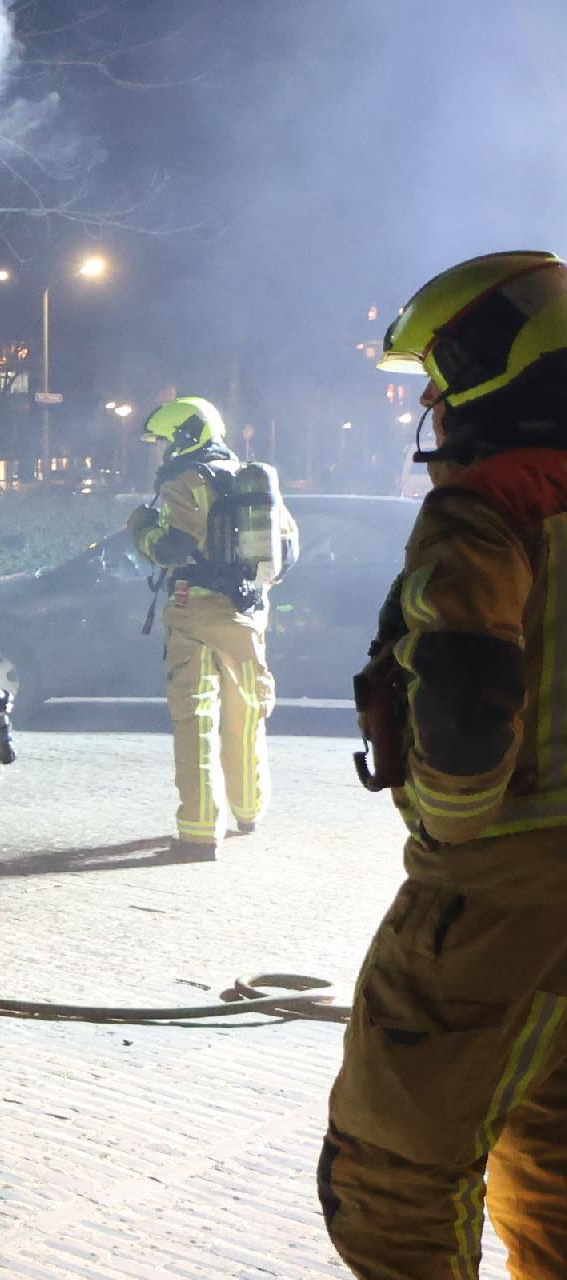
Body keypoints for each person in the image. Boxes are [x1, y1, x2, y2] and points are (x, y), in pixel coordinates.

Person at [321, 249, 567, 1280]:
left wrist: (449, 829)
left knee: (392, 1176)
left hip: (503, 891)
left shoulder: (490, 508)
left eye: (444, 374)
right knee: (555, 1157)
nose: (430, 399)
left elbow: (465, 710)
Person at [126, 396, 294, 860]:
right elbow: (288, 549)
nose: (160, 450)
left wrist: (140, 527)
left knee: (195, 716)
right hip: (248, 613)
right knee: (246, 714)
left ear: (183, 436)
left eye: (163, 440)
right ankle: (249, 809)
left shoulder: (185, 480)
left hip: (194, 608)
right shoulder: (252, 481)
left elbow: (172, 546)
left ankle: (199, 831)